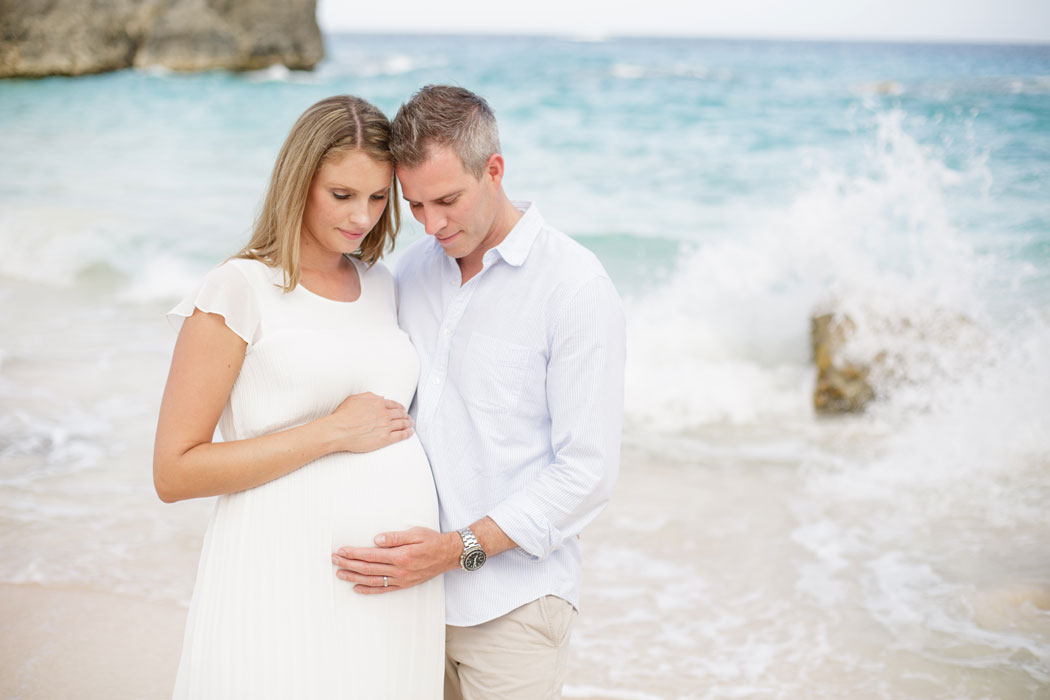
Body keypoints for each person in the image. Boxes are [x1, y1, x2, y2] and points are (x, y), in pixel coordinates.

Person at [332, 85, 627, 699]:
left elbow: (587, 472)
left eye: (447, 200)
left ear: (494, 171)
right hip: (408, 603)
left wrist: (456, 549)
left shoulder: (574, 286)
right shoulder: (411, 272)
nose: (432, 223)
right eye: (414, 204)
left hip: (513, 607)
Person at [154, 95, 444, 699]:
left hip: (389, 588)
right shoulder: (238, 288)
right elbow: (174, 472)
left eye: (376, 197)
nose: (361, 217)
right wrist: (330, 433)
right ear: (298, 182)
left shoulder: (380, 285)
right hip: (278, 572)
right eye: (342, 195)